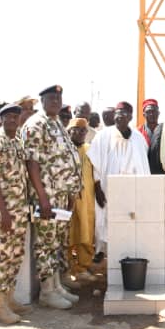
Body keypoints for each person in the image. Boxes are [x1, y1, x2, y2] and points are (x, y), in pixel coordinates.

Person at [23, 86, 82, 310]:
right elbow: (32, 163)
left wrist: (69, 194)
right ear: (42, 100)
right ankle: (47, 291)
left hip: (60, 195)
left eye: (59, 98)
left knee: (55, 243)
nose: (56, 101)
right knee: (45, 244)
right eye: (51, 98)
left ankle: (56, 286)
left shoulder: (56, 122)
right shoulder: (36, 124)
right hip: (46, 196)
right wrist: (43, 198)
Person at [88, 101, 149, 270]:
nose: (119, 116)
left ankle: (128, 255)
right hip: (108, 190)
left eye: (123, 113)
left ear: (130, 117)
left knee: (130, 223)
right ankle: (104, 255)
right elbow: (95, 163)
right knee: (106, 222)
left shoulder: (138, 137)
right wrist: (97, 186)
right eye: (117, 113)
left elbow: (143, 166)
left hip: (132, 191)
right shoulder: (103, 136)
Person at [0, 103, 31, 324]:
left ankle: (10, 298)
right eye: (9, 117)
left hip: (20, 209)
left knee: (16, 255)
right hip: (5, 210)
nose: (13, 120)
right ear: (1, 120)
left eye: (16, 116)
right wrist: (3, 211)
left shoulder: (18, 141)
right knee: (3, 257)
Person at [66, 118, 97, 283]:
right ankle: (69, 268)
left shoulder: (90, 150)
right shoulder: (63, 150)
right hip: (68, 200)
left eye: (83, 130)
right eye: (76, 130)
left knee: (86, 233)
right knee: (68, 234)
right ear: (69, 131)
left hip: (86, 199)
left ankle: (83, 267)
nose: (79, 133)